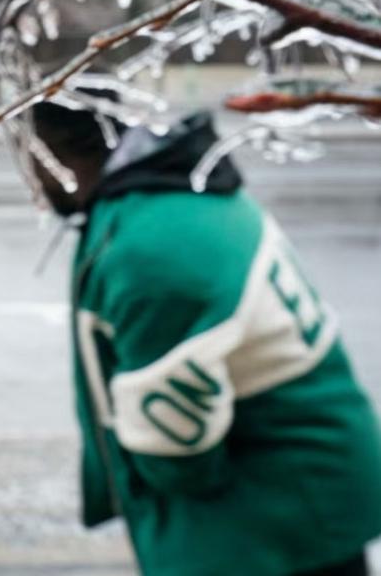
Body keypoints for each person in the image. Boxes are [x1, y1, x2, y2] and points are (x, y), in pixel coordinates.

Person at [30, 96, 381, 576]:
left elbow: (174, 448)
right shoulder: (177, 192)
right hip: (313, 486)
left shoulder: (151, 246)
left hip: (268, 517)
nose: (30, 179)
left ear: (53, 152)